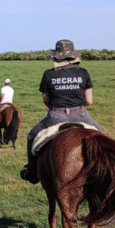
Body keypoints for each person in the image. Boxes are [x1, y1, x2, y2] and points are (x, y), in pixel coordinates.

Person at [20, 39, 102, 184]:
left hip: (55, 117)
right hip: (81, 115)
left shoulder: (48, 74)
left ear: (57, 56)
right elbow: (89, 101)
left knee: (32, 136)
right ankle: (103, 171)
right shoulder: (83, 72)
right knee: (101, 137)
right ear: (73, 55)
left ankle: (32, 174)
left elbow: (46, 100)